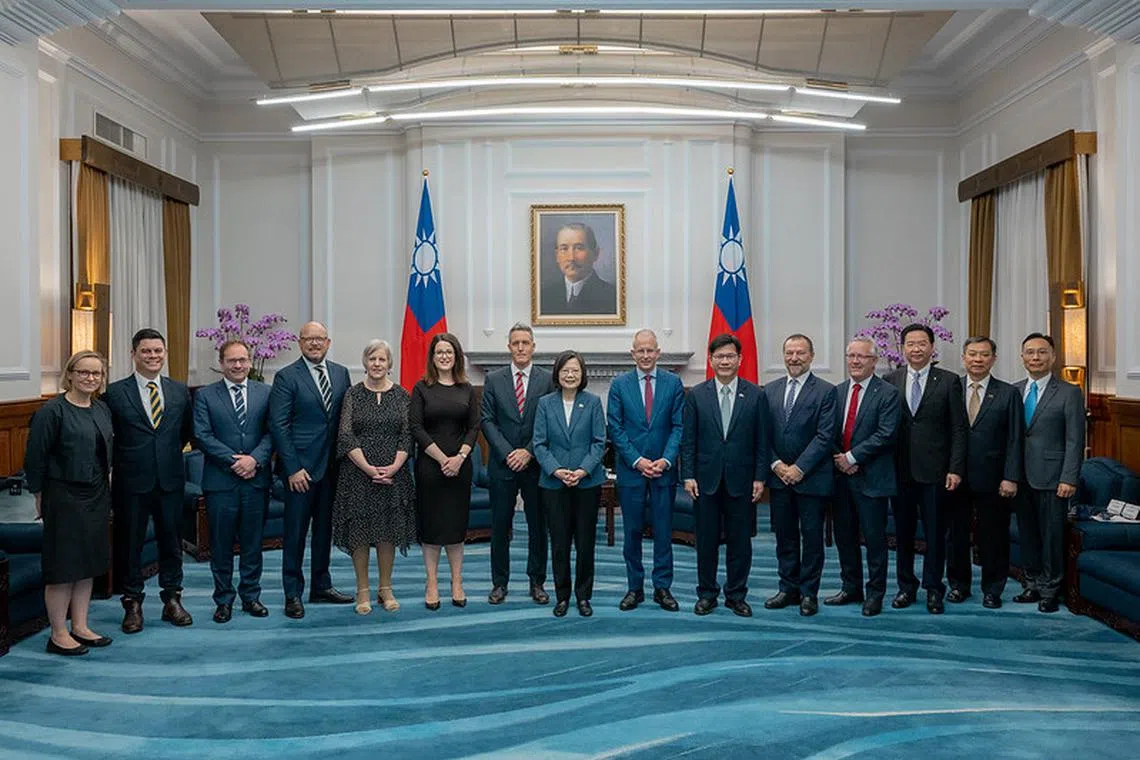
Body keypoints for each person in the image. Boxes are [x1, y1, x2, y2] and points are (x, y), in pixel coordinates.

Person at [24, 351, 114, 656]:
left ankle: (81, 626)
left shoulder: (102, 409)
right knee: (63, 566)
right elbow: (34, 458)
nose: (91, 378)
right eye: (84, 372)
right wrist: (39, 495)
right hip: (63, 498)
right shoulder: (52, 411)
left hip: (97, 496)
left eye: (97, 373)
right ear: (70, 374)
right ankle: (58, 633)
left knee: (87, 564)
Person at [104, 328, 194, 633]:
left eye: (158, 351)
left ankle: (172, 600)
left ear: (165, 353)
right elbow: (107, 438)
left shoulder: (180, 391)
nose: (153, 356)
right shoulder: (115, 393)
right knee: (130, 544)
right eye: (146, 351)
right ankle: (132, 604)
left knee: (172, 542)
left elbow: (184, 434)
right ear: (133, 354)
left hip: (170, 480)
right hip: (131, 483)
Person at [680, 333, 770, 618]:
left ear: (739, 359)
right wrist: (688, 475)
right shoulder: (696, 395)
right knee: (705, 541)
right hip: (704, 480)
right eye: (719, 356)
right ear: (711, 360)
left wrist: (760, 477)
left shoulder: (756, 395)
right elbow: (689, 440)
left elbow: (762, 441)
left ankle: (736, 594)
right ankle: (707, 594)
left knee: (740, 541)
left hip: (742, 481)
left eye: (730, 356)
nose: (725, 361)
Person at [269, 321, 354, 619]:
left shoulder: (341, 373)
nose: (315, 344)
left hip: (333, 469)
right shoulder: (286, 377)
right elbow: (279, 426)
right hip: (300, 472)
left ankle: (321, 585)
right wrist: (292, 468)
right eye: (309, 339)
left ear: (328, 342)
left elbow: (345, 419)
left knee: (323, 532)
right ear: (300, 342)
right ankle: (292, 593)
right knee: (294, 534)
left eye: (320, 339)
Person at [885, 324, 968, 614]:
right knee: (902, 534)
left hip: (936, 471)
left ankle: (934, 588)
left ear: (933, 348)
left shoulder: (948, 381)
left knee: (935, 534)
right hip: (900, 471)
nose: (916, 349)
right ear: (902, 348)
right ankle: (905, 587)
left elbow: (959, 428)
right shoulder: (890, 379)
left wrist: (955, 468)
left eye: (922, 344)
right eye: (910, 344)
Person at [332, 340, 416, 615]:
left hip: (394, 473)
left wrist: (393, 467)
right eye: (372, 359)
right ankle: (363, 591)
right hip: (358, 475)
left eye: (382, 359)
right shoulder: (353, 395)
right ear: (365, 363)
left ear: (390, 364)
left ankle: (385, 588)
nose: (377, 364)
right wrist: (369, 468)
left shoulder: (403, 395)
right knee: (359, 533)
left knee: (387, 532)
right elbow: (345, 435)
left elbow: (407, 435)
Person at [192, 340, 274, 624]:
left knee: (253, 544)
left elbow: (273, 432)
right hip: (221, 483)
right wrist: (235, 461)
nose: (238, 365)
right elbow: (202, 435)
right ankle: (223, 600)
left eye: (242, 360)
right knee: (221, 545)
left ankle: (251, 596)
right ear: (222, 363)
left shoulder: (266, 393)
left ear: (250, 361)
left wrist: (255, 460)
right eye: (232, 361)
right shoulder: (205, 395)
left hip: (256, 480)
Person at [608, 329, 684, 613]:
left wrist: (665, 460)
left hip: (664, 471)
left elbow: (678, 427)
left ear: (658, 352)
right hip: (631, 471)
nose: (645, 355)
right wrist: (637, 460)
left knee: (664, 531)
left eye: (650, 350)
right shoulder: (619, 384)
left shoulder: (673, 383)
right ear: (632, 353)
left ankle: (662, 587)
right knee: (632, 531)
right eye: (640, 350)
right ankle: (634, 587)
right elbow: (615, 428)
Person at [762, 334, 836, 617]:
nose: (794, 358)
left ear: (811, 356)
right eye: (789, 352)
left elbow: (825, 436)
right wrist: (777, 465)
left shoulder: (826, 391)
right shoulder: (769, 390)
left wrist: (798, 468)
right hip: (779, 478)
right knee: (785, 536)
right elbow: (762, 435)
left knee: (812, 537)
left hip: (812, 478)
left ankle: (808, 593)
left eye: (800, 353)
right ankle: (787, 588)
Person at [480, 322, 554, 606]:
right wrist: (509, 452)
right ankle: (499, 583)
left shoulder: (547, 380)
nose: (521, 348)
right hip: (502, 465)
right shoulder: (494, 379)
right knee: (500, 526)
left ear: (533, 347)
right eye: (516, 343)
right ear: (509, 347)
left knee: (538, 526)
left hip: (536, 465)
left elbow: (550, 422)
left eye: (525, 343)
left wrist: (528, 452)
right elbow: (487, 419)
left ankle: (537, 582)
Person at [826, 338, 901, 617]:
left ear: (874, 360)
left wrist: (853, 457)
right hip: (841, 479)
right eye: (851, 356)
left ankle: (875, 593)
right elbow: (828, 432)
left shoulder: (888, 393)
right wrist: (840, 459)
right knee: (844, 537)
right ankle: (851, 587)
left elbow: (886, 434)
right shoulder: (836, 392)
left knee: (874, 539)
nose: (855, 361)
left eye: (862, 357)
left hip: (873, 478)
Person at [947, 336, 1023, 608]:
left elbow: (1015, 438)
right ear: (963, 358)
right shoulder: (950, 388)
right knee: (956, 535)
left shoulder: (1008, 393)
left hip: (994, 478)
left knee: (994, 535)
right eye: (972, 354)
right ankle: (958, 586)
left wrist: (1011, 476)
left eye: (984, 354)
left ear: (994, 358)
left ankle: (993, 590)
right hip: (954, 476)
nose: (977, 359)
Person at [1014, 332, 1085, 613]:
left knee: (1052, 537)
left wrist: (1069, 477)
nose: (1035, 357)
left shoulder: (1069, 392)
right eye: (1029, 352)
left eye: (1042, 352)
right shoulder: (1014, 390)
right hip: (1020, 477)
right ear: (1022, 357)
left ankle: (1051, 590)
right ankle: (1031, 584)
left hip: (1054, 478)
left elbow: (1075, 440)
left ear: (1053, 357)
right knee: (1028, 534)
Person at [533, 350, 607, 617]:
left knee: (586, 543)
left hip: (586, 484)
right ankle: (562, 596)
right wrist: (557, 471)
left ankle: (584, 596)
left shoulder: (593, 402)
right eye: (565, 370)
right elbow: (539, 444)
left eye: (575, 370)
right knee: (560, 543)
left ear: (582, 374)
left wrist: (582, 471)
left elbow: (600, 443)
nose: (570, 375)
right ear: (557, 374)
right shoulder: (545, 404)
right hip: (554, 485)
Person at [409, 333, 480, 609]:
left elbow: (474, 427)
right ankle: (432, 583)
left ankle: (457, 581)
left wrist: (459, 457)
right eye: (439, 352)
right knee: (432, 529)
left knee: (455, 527)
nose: (444, 356)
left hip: (460, 468)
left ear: (456, 356)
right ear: (432, 357)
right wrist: (442, 458)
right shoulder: (421, 388)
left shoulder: (467, 388)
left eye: (449, 352)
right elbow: (416, 427)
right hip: (430, 466)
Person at [539, 223, 618, 315]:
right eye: (564, 249)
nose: (571, 258)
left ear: (595, 253)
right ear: (557, 255)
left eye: (579, 248)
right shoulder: (544, 296)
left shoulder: (611, 296)